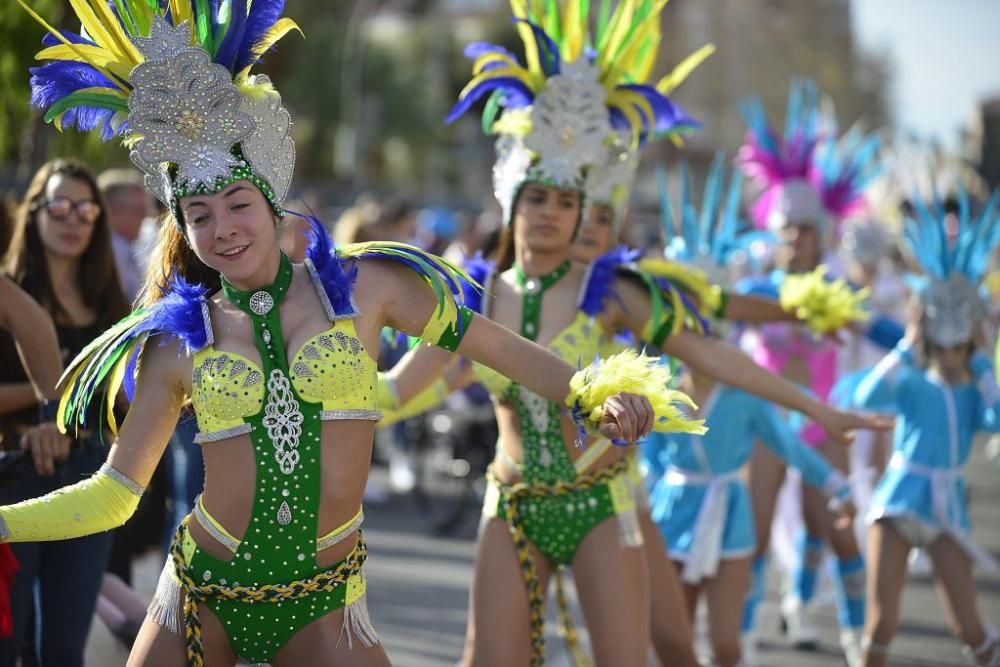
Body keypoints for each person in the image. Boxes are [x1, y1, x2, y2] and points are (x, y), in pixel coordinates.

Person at [3, 3, 663, 665]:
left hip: (324, 605)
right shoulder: (176, 342)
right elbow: (115, 494)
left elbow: (497, 348)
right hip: (202, 596)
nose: (224, 228)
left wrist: (588, 393)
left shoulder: (368, 286)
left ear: (272, 201)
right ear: (182, 228)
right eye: (199, 215)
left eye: (238, 203)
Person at [385, 8, 888, 664]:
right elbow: (396, 393)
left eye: (567, 202)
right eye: (538, 198)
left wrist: (817, 408)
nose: (550, 214)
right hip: (510, 501)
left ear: (584, 211)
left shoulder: (615, 292)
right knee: (485, 659)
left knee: (654, 648)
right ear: (513, 200)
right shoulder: (473, 298)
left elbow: (711, 348)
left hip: (601, 498)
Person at [735, 80, 894, 665]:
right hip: (765, 423)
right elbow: (705, 324)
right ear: (773, 233)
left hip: (819, 424)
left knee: (836, 526)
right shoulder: (753, 290)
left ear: (823, 234)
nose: (798, 239)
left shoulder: (840, 290)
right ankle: (742, 640)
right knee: (749, 533)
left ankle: (857, 636)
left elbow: (889, 336)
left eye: (807, 229)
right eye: (788, 229)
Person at [850, 188, 1000, 667]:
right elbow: (865, 397)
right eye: (946, 347)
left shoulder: (975, 388)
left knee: (970, 627)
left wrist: (983, 366)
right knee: (882, 623)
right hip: (898, 504)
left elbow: (996, 420)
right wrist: (907, 345)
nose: (952, 355)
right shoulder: (912, 380)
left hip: (947, 512)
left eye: (961, 347)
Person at [0, 158, 129, 667]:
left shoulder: (108, 300)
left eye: (86, 210)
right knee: (10, 645)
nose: (73, 219)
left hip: (87, 476)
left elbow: (118, 395)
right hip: (15, 474)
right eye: (60, 206)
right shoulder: (11, 290)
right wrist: (48, 406)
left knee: (63, 650)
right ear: (34, 212)